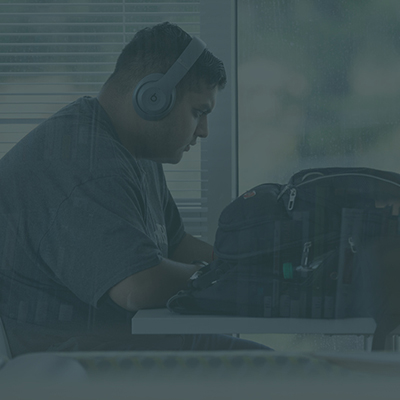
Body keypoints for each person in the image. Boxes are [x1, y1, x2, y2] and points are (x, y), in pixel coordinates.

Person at [0, 22, 271, 356]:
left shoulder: (133, 149)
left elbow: (175, 245)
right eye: (198, 112)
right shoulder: (86, 162)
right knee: (280, 377)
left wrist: (255, 266)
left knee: (277, 370)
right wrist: (221, 278)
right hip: (72, 364)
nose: (203, 131)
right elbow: (137, 286)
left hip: (117, 346)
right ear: (153, 98)